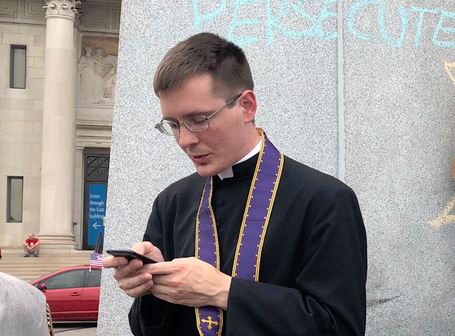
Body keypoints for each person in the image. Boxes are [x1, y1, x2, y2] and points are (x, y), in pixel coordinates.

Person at [103, 32, 367, 336]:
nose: (185, 140)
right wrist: (153, 287)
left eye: (199, 119)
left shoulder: (326, 200)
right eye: (173, 124)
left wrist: (224, 291)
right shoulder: (172, 202)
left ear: (247, 106)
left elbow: (340, 327)